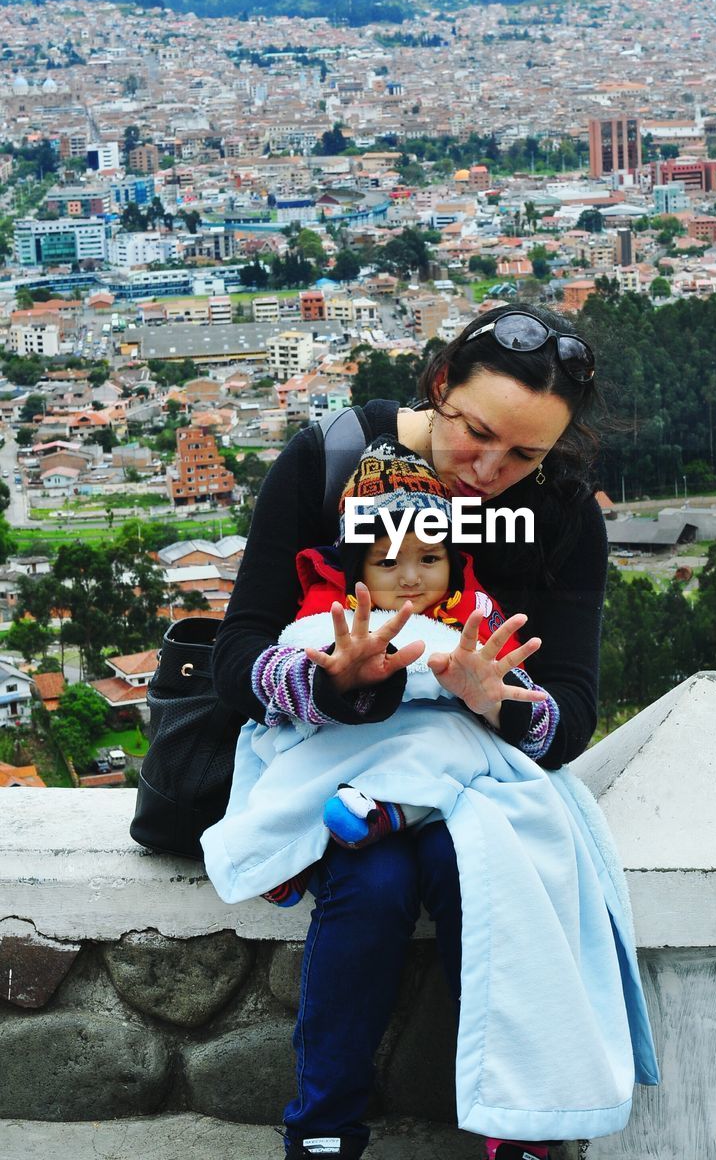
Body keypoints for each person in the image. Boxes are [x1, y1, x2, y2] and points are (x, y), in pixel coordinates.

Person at [211, 304, 657, 1160]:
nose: (490, 471)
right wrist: (331, 683)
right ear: (439, 384)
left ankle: (517, 1128)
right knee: (373, 887)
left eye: (526, 454)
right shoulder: (332, 459)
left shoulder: (561, 513)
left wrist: (500, 701)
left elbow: (570, 711)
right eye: (477, 433)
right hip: (344, 755)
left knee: (477, 868)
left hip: (476, 766)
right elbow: (240, 650)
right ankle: (323, 1131)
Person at [204, 435, 555, 909]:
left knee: (442, 745)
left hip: (437, 747)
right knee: (286, 762)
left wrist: (495, 695)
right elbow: (298, 654)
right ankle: (276, 851)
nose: (411, 577)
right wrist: (333, 679)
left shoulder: (474, 614)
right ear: (357, 571)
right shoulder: (334, 614)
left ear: (453, 560)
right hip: (345, 742)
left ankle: (390, 812)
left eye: (430, 558)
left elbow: (517, 693)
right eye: (387, 562)